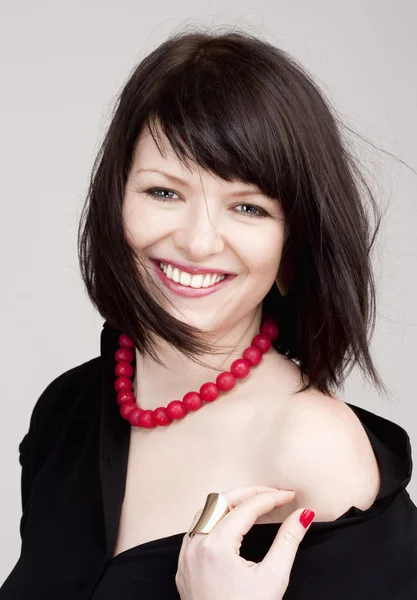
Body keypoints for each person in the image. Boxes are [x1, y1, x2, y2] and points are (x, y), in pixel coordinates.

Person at [1, 28, 416, 600]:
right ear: (116, 200)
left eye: (247, 206)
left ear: (291, 244)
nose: (198, 243)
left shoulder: (314, 450)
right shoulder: (66, 412)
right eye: (164, 193)